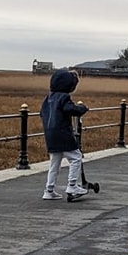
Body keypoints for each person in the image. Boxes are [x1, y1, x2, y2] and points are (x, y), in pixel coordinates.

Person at [40, 68, 90, 201]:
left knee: (54, 163)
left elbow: (42, 113)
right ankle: (72, 185)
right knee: (76, 157)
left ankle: (49, 190)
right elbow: (70, 109)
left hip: (50, 134)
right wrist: (82, 108)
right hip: (62, 132)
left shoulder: (48, 98)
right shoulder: (64, 97)